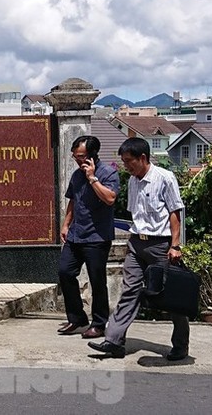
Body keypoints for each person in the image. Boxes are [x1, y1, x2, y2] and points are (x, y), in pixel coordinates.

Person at [88, 137, 188, 361]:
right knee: (130, 290)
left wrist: (175, 245)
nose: (126, 166)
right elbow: (135, 213)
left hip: (160, 244)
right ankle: (114, 341)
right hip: (136, 243)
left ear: (142, 158)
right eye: (123, 161)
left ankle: (180, 345)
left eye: (129, 161)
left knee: (171, 295)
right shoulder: (133, 181)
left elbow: (175, 213)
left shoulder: (164, 178)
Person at [57, 135, 119, 339]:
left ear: (93, 154)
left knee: (97, 281)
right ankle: (77, 318)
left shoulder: (108, 173)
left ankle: (99, 323)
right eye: (75, 157)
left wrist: (92, 178)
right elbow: (73, 201)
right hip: (76, 234)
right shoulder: (76, 176)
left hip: (97, 237)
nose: (78, 160)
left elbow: (110, 198)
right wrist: (66, 224)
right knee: (65, 272)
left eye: (82, 156)